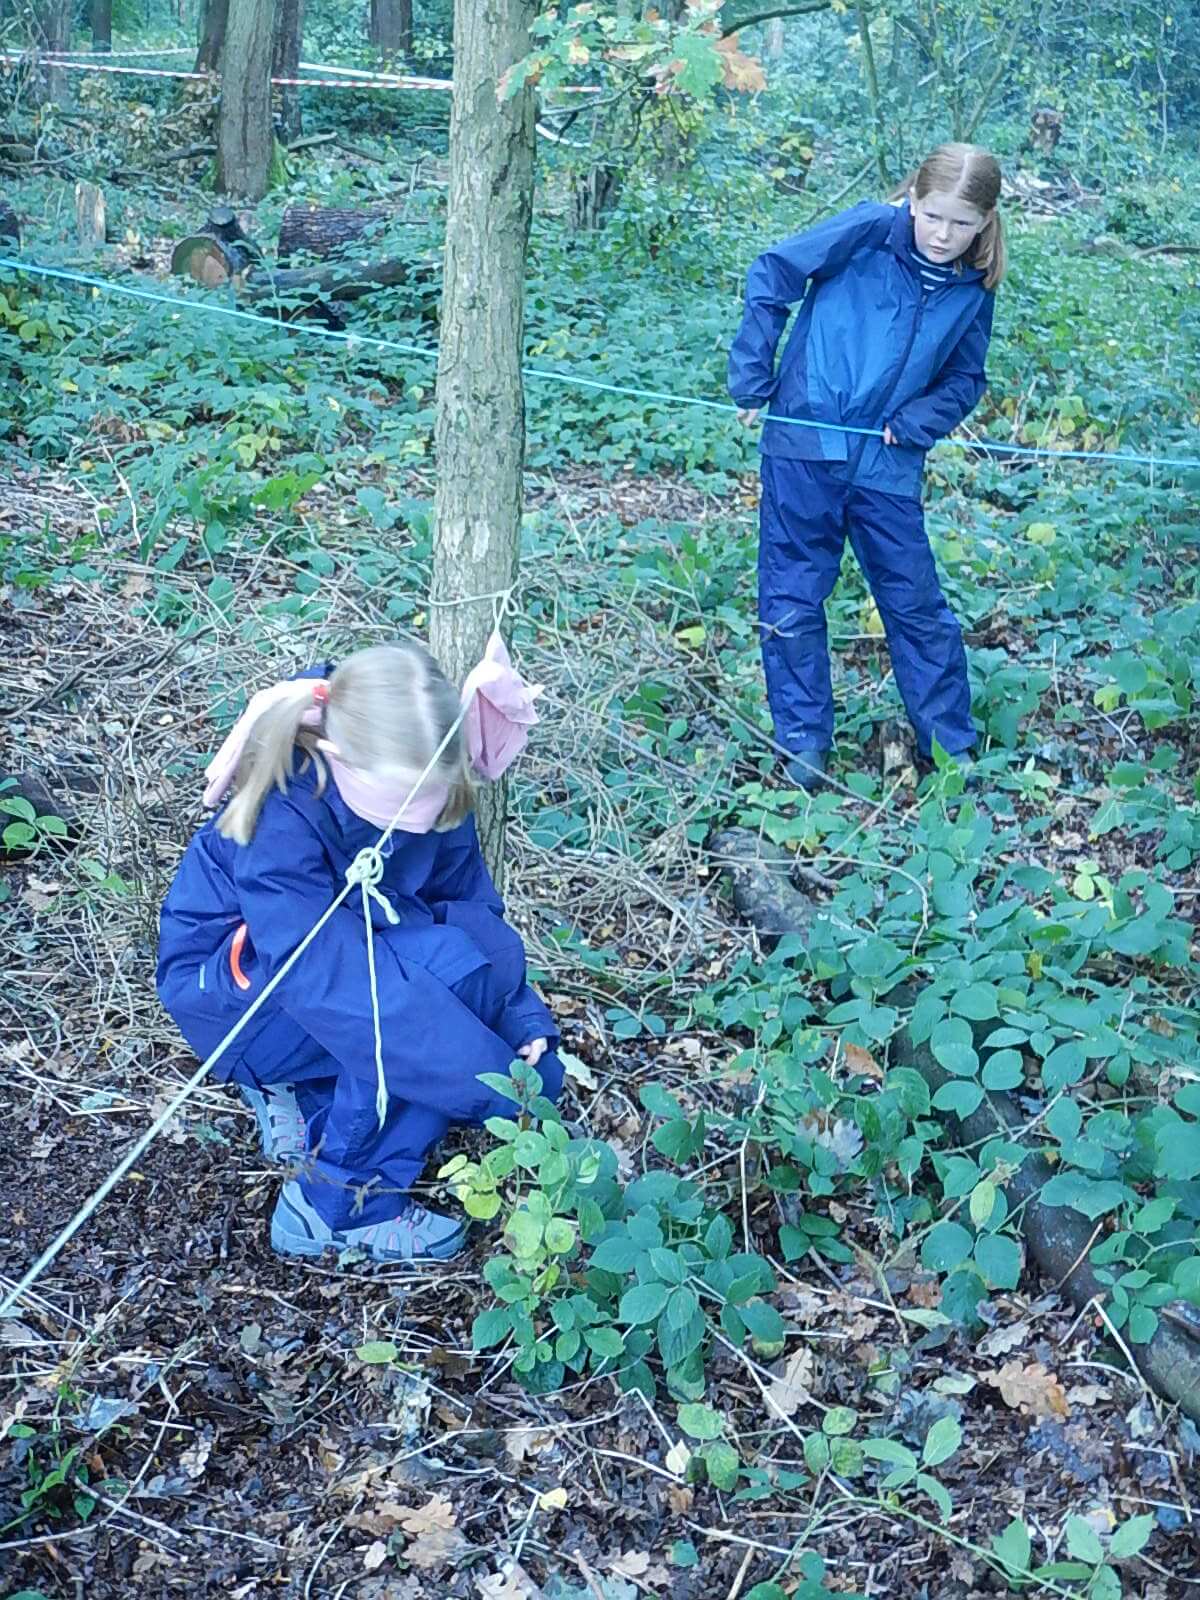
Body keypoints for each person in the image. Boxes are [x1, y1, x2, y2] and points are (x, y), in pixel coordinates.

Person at [156, 638, 561, 1264]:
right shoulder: (284, 816)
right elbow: (350, 997)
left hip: (340, 958)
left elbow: (473, 912)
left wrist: (520, 1018)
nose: (422, 819)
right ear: (339, 759)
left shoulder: (427, 774)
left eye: (434, 798)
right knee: (433, 990)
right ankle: (338, 1207)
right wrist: (508, 1090)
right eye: (406, 801)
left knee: (462, 959)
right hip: (233, 993)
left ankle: (305, 1089)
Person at [728, 141, 1006, 790]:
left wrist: (915, 425)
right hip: (805, 446)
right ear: (913, 199)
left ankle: (951, 747)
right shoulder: (867, 232)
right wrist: (752, 376)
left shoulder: (973, 286)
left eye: (962, 223)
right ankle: (803, 748)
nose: (944, 234)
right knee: (793, 598)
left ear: (985, 222)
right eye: (933, 215)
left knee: (916, 604)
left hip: (886, 464)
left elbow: (966, 379)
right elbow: (773, 272)